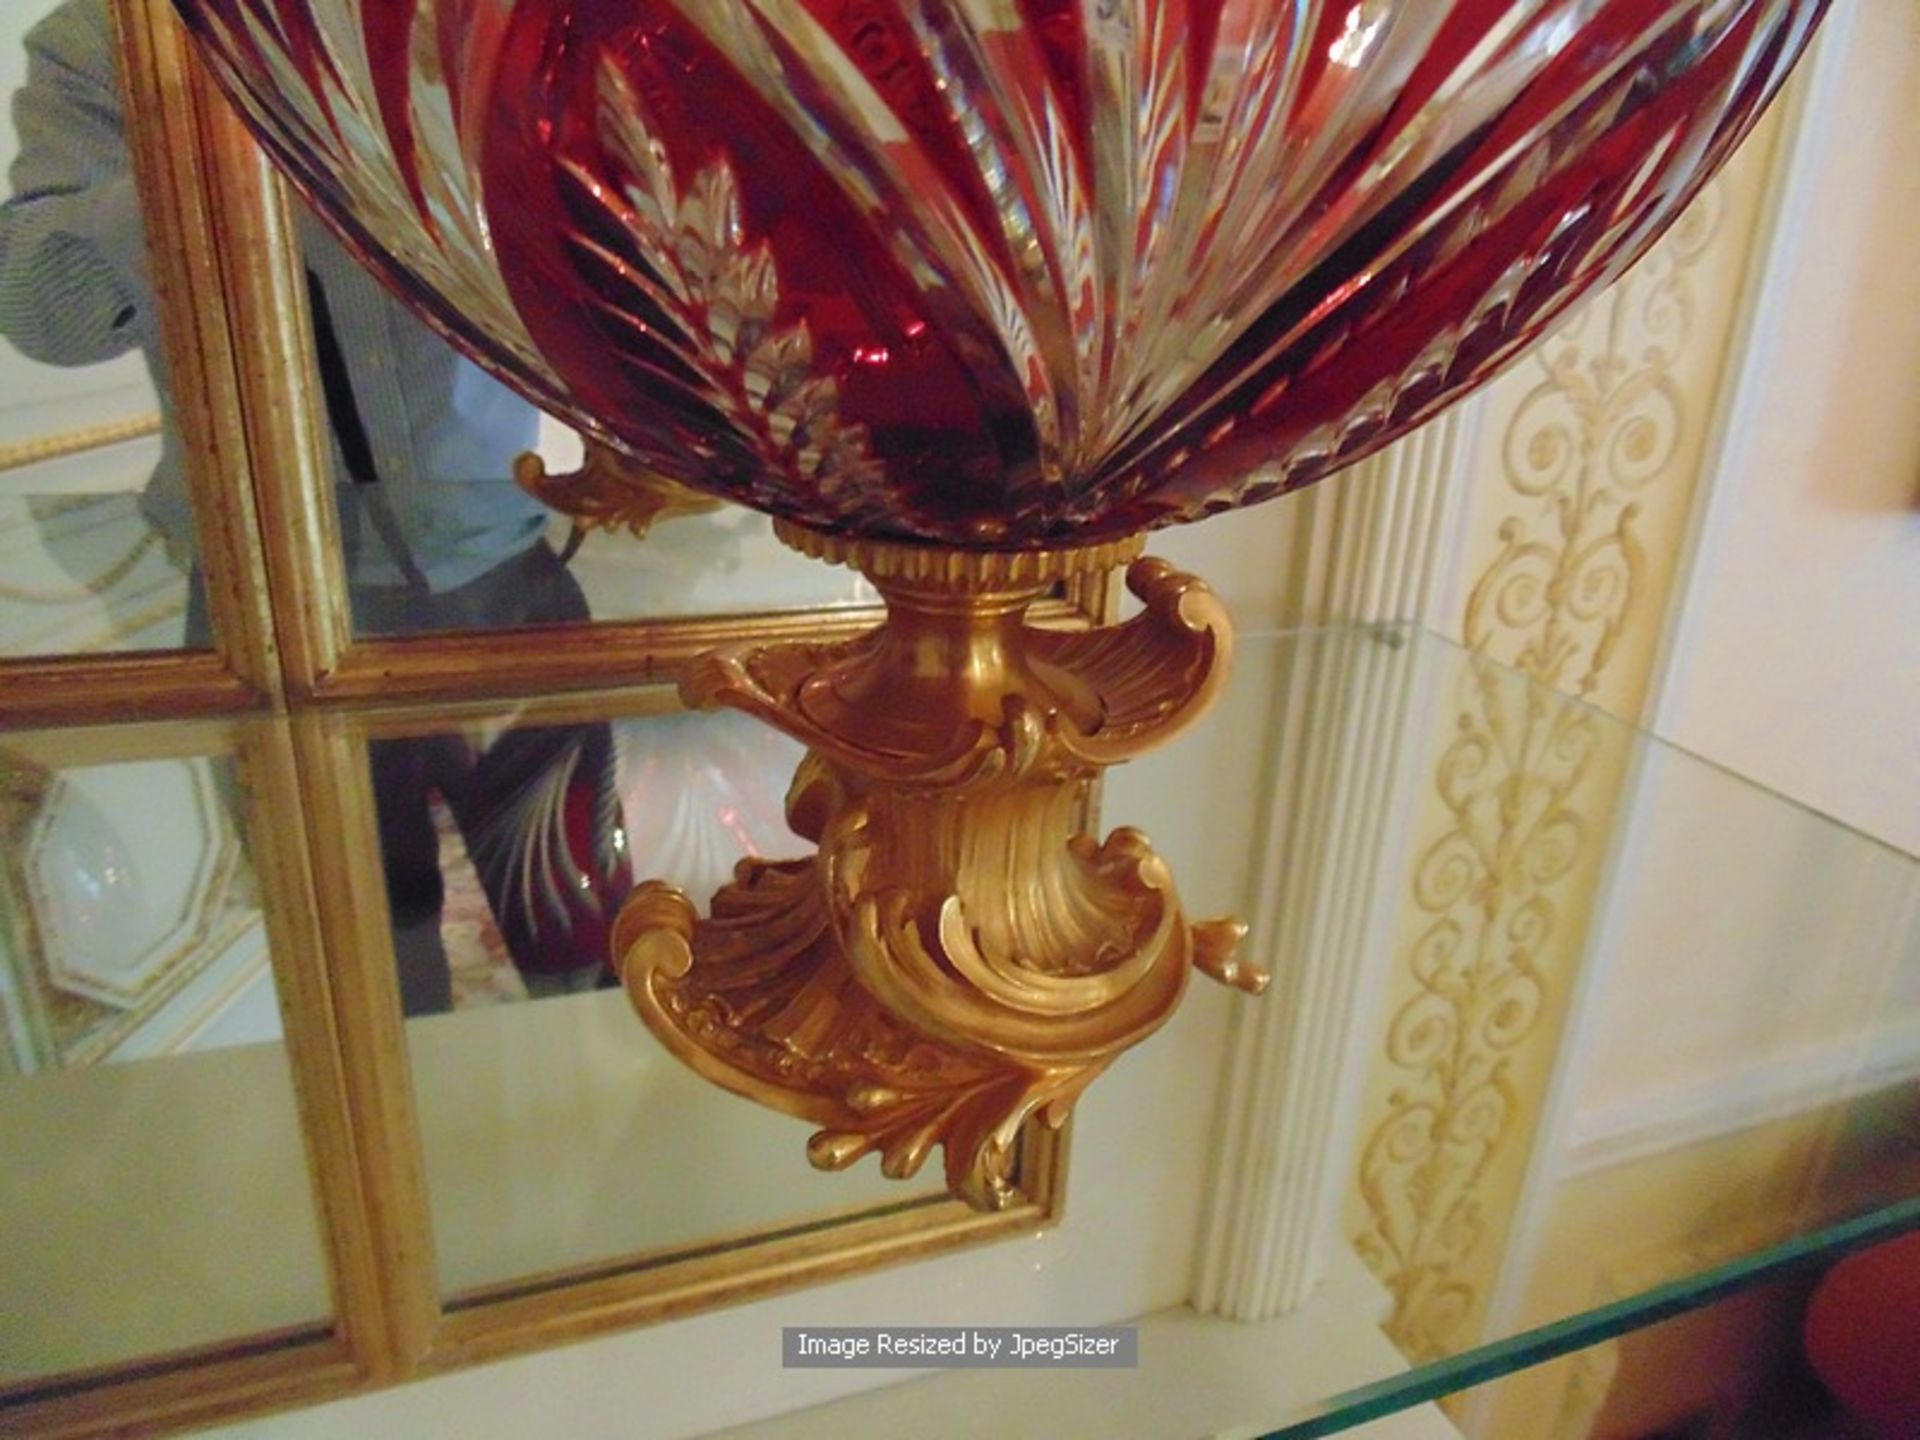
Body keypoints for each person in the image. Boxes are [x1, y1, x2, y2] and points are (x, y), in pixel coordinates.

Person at [0, 0, 632, 1012]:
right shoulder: (110, 39)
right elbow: (40, 308)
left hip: (501, 574)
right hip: (258, 610)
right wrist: (194, 168)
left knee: (580, 932)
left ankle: (599, 1145)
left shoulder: (469, 25)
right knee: (360, 974)